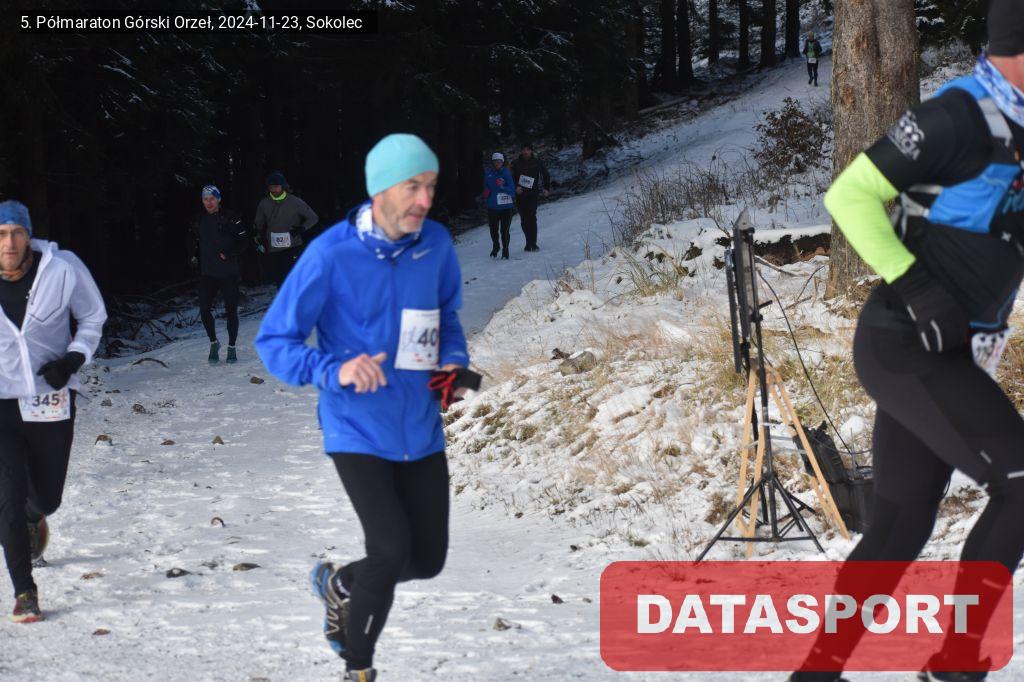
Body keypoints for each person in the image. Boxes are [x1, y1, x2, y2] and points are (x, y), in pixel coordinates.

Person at [791, 2, 1024, 680]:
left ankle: (815, 672)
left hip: (954, 355)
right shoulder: (960, 113)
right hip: (904, 340)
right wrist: (917, 286)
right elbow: (850, 195)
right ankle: (956, 666)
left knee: (899, 526)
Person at [255, 134, 476, 682]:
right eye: (413, 187)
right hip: (355, 427)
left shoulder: (435, 244)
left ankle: (340, 584)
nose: (425, 200)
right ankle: (357, 666)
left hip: (420, 427)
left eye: (431, 186)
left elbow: (446, 318)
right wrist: (335, 371)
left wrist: (453, 364)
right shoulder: (330, 254)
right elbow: (275, 341)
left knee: (426, 560)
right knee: (390, 548)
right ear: (379, 190)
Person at [0, 200, 106, 623]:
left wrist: (73, 359)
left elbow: (93, 317)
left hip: (50, 395)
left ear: (29, 235)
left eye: (16, 232)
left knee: (47, 497)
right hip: (2, 401)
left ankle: (34, 515)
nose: (9, 242)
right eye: (1, 234)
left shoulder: (62, 268)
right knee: (7, 494)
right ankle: (24, 591)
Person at [188, 185, 248, 364]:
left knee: (231, 312)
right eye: (205, 199)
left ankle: (231, 347)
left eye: (212, 198)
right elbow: (194, 239)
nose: (209, 202)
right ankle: (214, 343)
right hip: (208, 274)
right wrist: (193, 255)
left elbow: (243, 241)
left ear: (219, 199)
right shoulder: (199, 219)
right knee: (204, 309)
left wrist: (229, 253)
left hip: (228, 273)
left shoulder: (230, 217)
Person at [253, 171, 318, 286]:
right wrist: (258, 234)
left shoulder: (295, 202)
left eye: (276, 186)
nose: (274, 189)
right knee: (280, 280)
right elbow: (258, 223)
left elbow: (313, 218)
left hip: (293, 246)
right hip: (274, 248)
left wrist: (302, 228)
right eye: (271, 187)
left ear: (283, 186)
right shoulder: (264, 203)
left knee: (293, 278)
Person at [511, 143, 551, 252]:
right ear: (521, 151)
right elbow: (510, 178)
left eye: (528, 150)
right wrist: (515, 188)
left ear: (531, 151)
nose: (525, 152)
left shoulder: (537, 162)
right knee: (524, 219)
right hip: (520, 194)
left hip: (533, 194)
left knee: (532, 217)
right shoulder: (515, 163)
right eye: (523, 150)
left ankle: (533, 243)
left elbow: (546, 175)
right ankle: (528, 242)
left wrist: (546, 188)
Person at [483, 152, 515, 259]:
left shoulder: (506, 173)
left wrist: (503, 187)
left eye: (499, 161)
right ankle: (496, 246)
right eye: (495, 161)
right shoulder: (488, 173)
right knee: (493, 230)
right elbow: (485, 187)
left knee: (504, 231)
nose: (497, 163)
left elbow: (512, 191)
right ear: (492, 162)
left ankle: (505, 250)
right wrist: (486, 192)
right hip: (492, 207)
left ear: (503, 162)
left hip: (506, 208)